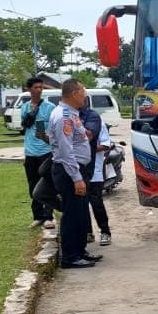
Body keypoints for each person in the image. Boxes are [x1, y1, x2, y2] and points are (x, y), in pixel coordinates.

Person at [48, 79, 102, 269]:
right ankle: (70, 256)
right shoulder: (63, 116)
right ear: (73, 94)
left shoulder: (72, 114)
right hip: (69, 171)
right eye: (83, 92)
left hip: (77, 169)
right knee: (72, 213)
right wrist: (77, 178)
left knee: (80, 213)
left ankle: (80, 251)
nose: (85, 95)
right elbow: (65, 150)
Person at [21, 77, 56, 229]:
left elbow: (51, 129)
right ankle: (37, 216)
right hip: (30, 152)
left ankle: (48, 215)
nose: (39, 90)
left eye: (41, 87)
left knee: (47, 183)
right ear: (29, 89)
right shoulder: (25, 107)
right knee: (32, 184)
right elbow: (25, 126)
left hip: (45, 151)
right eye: (36, 87)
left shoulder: (49, 107)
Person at [78, 104, 102, 243]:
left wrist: (77, 125)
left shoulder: (91, 116)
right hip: (68, 167)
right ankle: (83, 238)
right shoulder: (61, 115)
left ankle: (102, 231)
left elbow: (89, 136)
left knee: (94, 202)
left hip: (87, 168)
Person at [87, 118, 113, 246]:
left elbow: (105, 144)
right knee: (81, 204)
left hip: (95, 170)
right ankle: (87, 232)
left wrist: (87, 148)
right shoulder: (72, 120)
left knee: (96, 202)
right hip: (78, 171)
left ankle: (105, 231)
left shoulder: (97, 122)